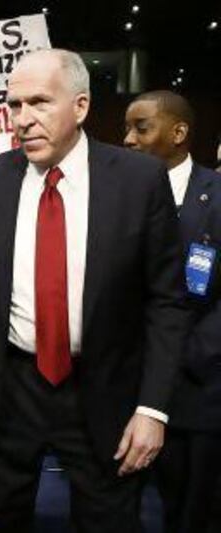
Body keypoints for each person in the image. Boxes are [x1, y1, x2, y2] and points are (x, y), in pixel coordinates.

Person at [0, 50, 188, 532]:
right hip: (9, 386)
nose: (23, 120)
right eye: (14, 105)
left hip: (105, 388)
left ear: (81, 106)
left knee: (109, 520)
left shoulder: (139, 181)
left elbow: (167, 301)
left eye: (39, 103)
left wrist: (153, 407)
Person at [124, 90, 221, 533]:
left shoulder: (216, 195)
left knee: (188, 510)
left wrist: (184, 354)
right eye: (127, 128)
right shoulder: (115, 195)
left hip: (197, 385)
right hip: (127, 381)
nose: (128, 139)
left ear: (179, 133)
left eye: (141, 128)